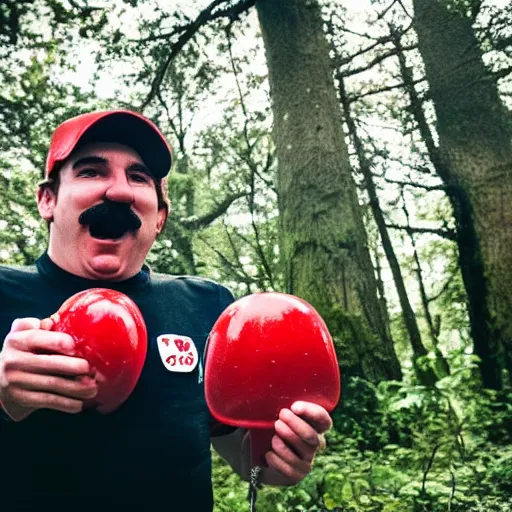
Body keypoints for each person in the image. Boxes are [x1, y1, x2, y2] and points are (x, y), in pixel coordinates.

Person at [0, 110, 333, 511]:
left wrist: (276, 463)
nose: (120, 192)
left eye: (138, 178)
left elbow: (247, 462)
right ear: (47, 199)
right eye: (91, 171)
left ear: (159, 217)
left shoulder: (208, 306)